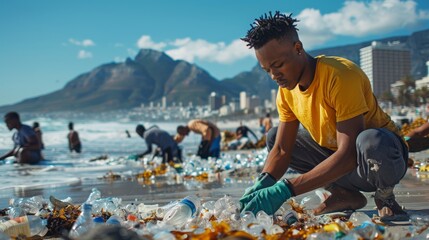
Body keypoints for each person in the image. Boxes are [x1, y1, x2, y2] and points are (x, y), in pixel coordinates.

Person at [239, 11, 408, 221]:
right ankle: (344, 194)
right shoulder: (286, 91)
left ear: (298, 48)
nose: (274, 76)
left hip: (378, 160)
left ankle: (385, 197)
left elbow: (348, 154)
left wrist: (285, 189)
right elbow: (282, 150)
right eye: (267, 70)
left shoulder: (340, 75)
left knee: (370, 141)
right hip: (340, 164)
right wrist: (262, 183)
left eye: (278, 65)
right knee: (275, 137)